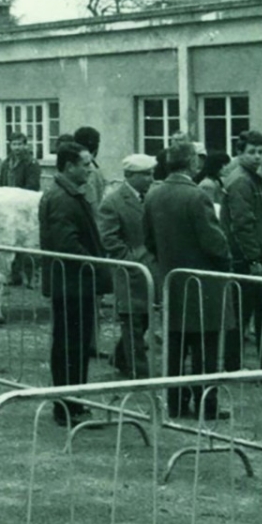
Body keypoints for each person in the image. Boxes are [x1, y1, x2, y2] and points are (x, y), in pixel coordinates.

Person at [144, 140, 231, 421]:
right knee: (205, 349)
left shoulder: (153, 195)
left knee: (175, 348)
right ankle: (207, 404)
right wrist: (225, 259)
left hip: (171, 281)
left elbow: (149, 240)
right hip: (203, 284)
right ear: (193, 163)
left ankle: (176, 403)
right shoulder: (197, 197)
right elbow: (214, 243)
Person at [40, 141, 104, 424]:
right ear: (69, 166)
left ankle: (72, 403)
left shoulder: (68, 194)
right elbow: (67, 244)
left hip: (74, 283)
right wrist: (97, 263)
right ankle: (68, 407)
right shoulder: (63, 199)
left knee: (73, 345)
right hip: (72, 284)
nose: (90, 170)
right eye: (85, 164)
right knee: (71, 346)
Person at [221, 129, 262, 372]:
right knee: (252, 313)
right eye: (251, 152)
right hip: (245, 260)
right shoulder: (242, 181)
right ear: (240, 153)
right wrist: (253, 257)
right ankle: (242, 366)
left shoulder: (252, 178)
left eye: (260, 152)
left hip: (251, 258)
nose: (257, 157)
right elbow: (242, 224)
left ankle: (261, 364)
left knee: (254, 313)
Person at [98, 153, 158, 380]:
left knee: (142, 318)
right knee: (132, 319)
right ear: (129, 176)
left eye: (151, 174)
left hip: (149, 269)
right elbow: (109, 239)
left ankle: (120, 357)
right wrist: (132, 259)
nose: (150, 179)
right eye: (145, 175)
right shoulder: (112, 202)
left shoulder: (150, 198)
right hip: (129, 271)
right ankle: (139, 371)